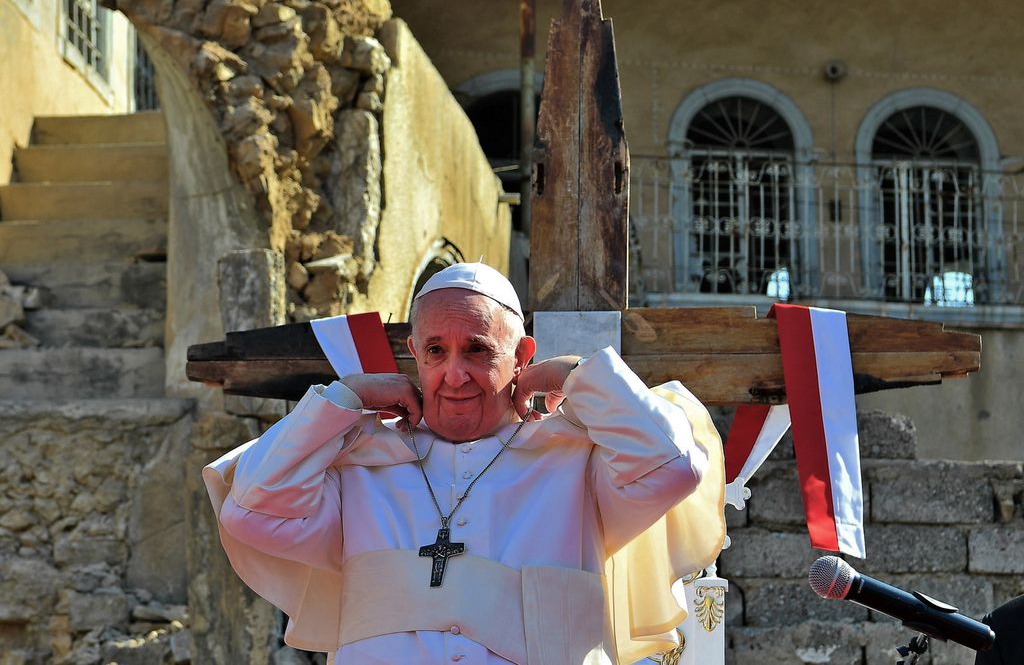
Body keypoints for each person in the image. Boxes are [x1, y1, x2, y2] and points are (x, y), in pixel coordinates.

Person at [203, 262, 725, 664]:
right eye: (435, 351)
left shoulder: (578, 461)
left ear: (522, 356)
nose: (454, 375)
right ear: (413, 354)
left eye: (477, 350)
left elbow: (673, 464)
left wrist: (576, 375)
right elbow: (252, 511)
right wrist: (346, 395)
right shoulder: (362, 463)